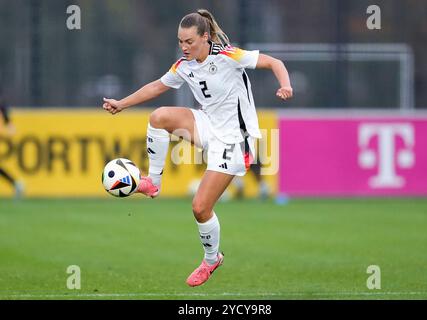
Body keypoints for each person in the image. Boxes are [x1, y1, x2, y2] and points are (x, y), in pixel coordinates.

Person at [102, 9, 293, 287]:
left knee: (200, 208)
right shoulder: (184, 65)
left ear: (205, 37)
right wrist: (122, 103)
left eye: (189, 41)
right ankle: (153, 183)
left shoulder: (228, 55)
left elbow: (274, 62)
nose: (184, 46)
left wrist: (285, 85)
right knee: (159, 117)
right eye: (181, 41)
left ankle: (211, 258)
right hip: (208, 124)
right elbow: (157, 86)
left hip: (234, 139)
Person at [0, 88, 24, 198]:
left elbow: (11, 127)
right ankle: (15, 183)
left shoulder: (2, 107)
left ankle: (15, 183)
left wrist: (6, 133)